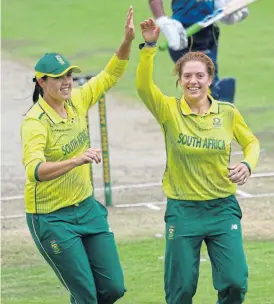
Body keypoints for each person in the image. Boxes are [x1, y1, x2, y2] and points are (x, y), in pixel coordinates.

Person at [136, 18, 260, 304]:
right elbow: (143, 86)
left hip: (222, 208)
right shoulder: (168, 110)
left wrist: (247, 165)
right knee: (180, 290)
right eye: (187, 76)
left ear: (210, 79)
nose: (193, 81)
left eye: (199, 76)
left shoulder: (227, 113)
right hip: (183, 210)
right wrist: (149, 46)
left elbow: (251, 142)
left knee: (235, 282)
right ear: (179, 80)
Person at [20, 6, 135, 304]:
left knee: (112, 289)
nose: (67, 81)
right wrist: (76, 160)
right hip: (51, 218)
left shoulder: (78, 101)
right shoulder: (35, 122)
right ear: (41, 82)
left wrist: (128, 40)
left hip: (85, 208)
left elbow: (111, 74)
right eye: (58, 77)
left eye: (69, 75)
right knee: (86, 296)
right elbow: (35, 170)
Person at [148, 0, 249, 103]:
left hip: (208, 32)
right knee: (206, 86)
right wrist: (163, 22)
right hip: (184, 35)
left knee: (209, 85)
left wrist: (225, 5)